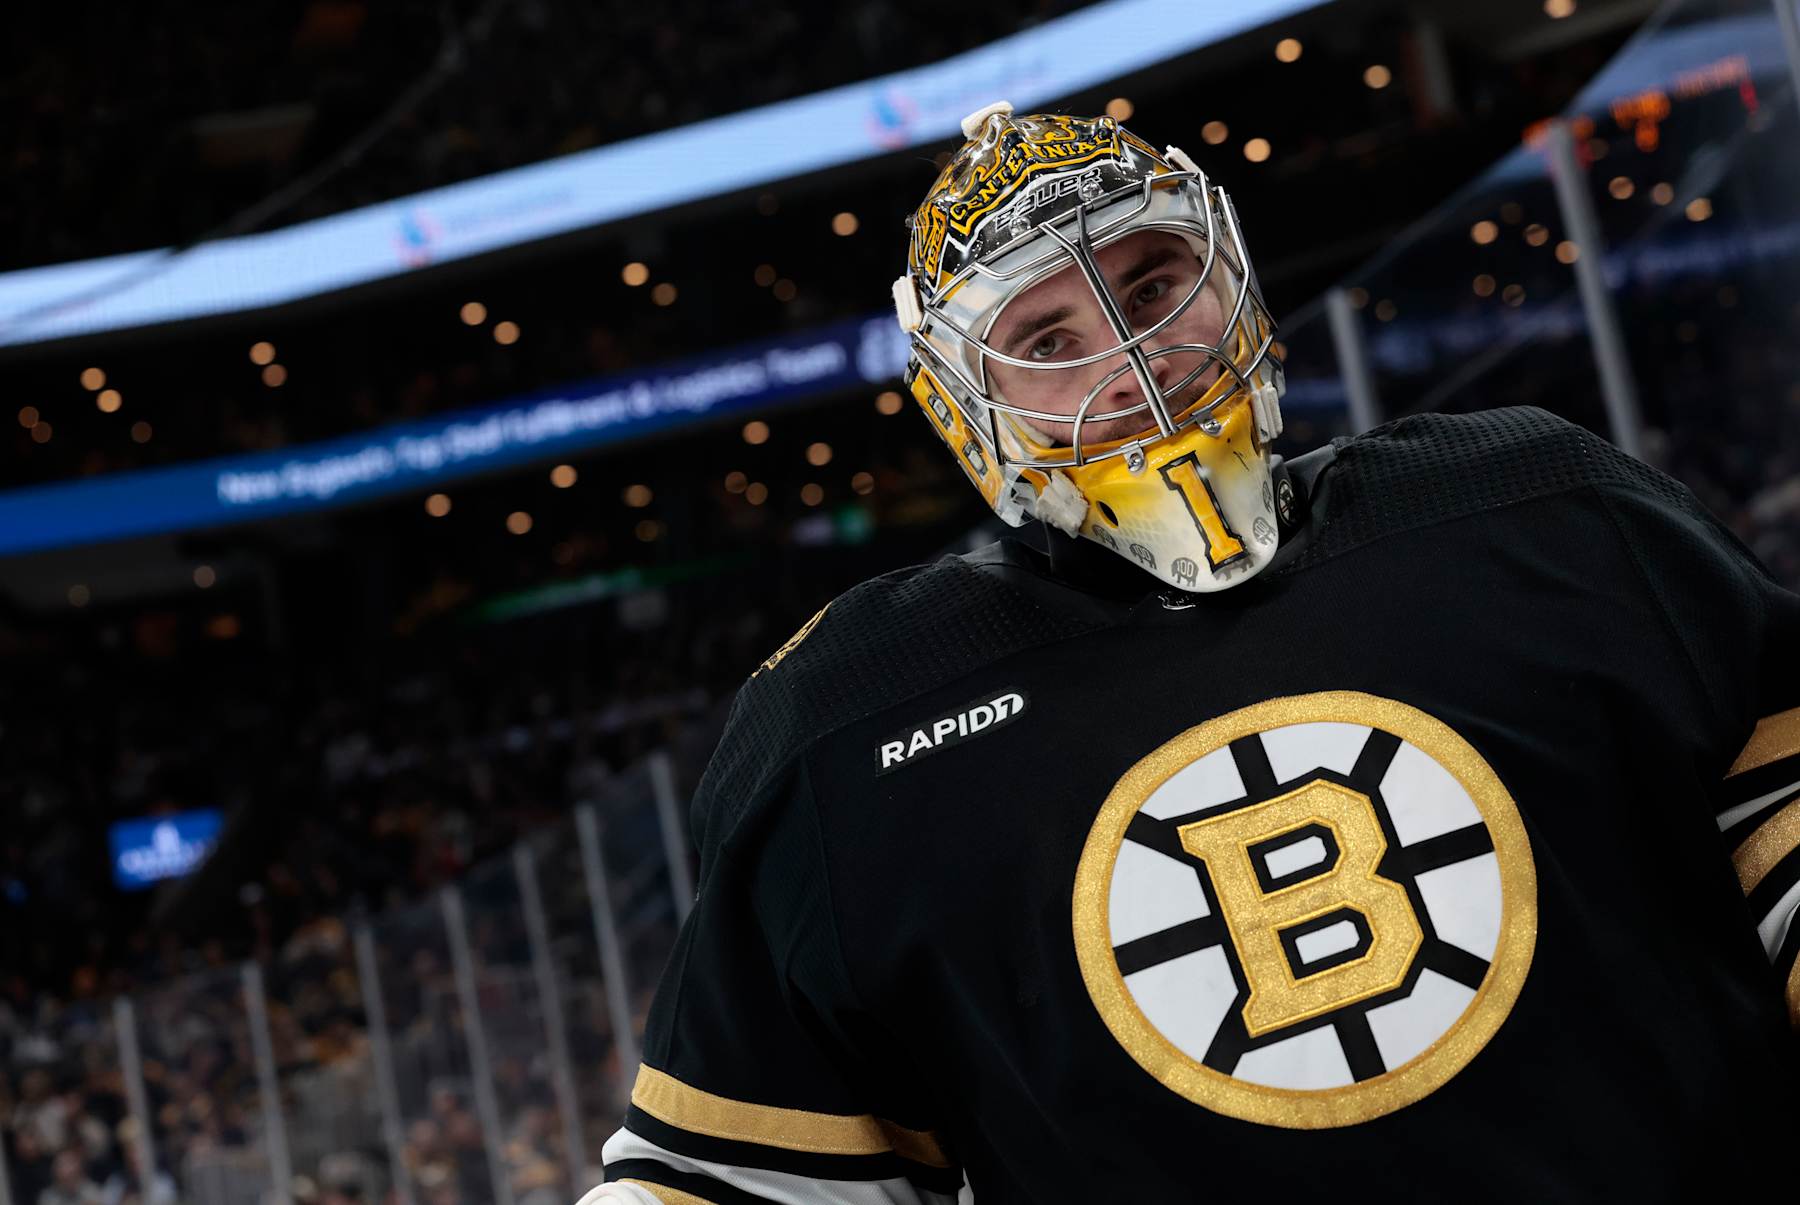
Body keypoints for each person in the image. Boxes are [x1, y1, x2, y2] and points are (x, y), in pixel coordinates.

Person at [581, 103, 1800, 1203]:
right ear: (962, 404)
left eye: (1153, 280)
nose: (1131, 357)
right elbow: (737, 1181)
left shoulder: (1541, 501)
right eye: (1048, 340)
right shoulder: (843, 722)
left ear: (1233, 277)